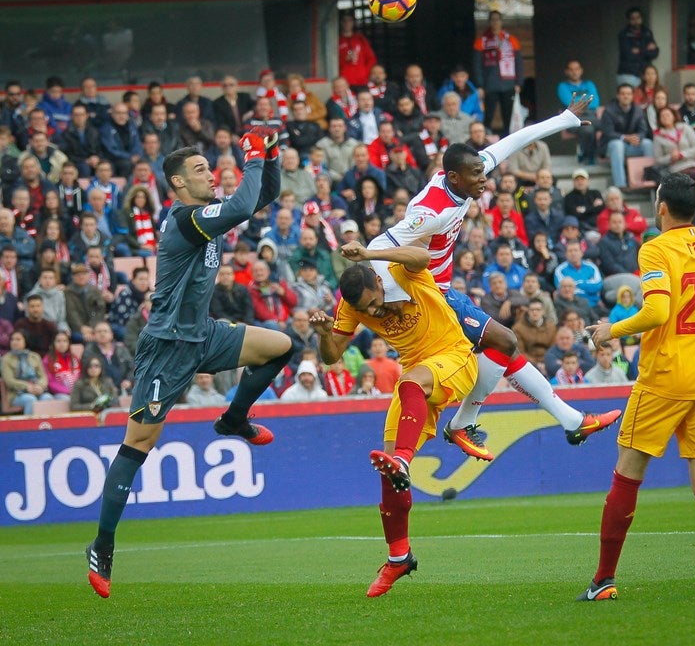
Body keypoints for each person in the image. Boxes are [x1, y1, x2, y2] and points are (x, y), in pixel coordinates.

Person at [85, 128, 294, 599]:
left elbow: (261, 194)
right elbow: (243, 206)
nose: (211, 174)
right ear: (178, 183)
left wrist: (271, 157)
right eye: (200, 169)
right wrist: (253, 154)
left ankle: (234, 419)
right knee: (138, 444)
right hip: (167, 346)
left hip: (204, 333)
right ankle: (102, 544)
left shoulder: (206, 214)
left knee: (282, 345)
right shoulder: (185, 220)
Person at [367, 96, 620, 460]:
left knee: (505, 348)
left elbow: (513, 141)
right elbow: (378, 244)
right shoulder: (429, 212)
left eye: (483, 172)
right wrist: (394, 296)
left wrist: (563, 119)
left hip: (442, 290)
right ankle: (464, 423)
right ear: (454, 177)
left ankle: (571, 420)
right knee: (504, 341)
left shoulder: (464, 176)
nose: (484, 181)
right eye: (477, 176)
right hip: (429, 296)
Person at [578, 172, 695, 602]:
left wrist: (611, 330)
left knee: (627, 474)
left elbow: (657, 311)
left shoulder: (655, 248)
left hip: (664, 378)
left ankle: (604, 579)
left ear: (661, 207)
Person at [310, 242, 479, 597]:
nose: (374, 310)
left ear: (376, 279)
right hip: (414, 384)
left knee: (404, 414)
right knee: (389, 473)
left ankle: (402, 458)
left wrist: (372, 254)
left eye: (373, 301)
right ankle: (399, 556)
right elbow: (330, 357)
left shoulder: (399, 271)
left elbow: (423, 256)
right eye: (365, 309)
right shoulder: (351, 307)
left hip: (454, 357)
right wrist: (325, 333)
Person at [472, 10, 523, 132]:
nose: (495, 22)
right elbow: (477, 65)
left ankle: (508, 140)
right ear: (489, 22)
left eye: (497, 19)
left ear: (502, 22)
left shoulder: (512, 40)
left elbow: (519, 63)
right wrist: (480, 85)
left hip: (508, 83)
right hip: (490, 84)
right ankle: (486, 139)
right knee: (488, 115)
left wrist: (519, 82)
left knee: (508, 116)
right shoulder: (481, 41)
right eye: (492, 20)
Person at [599, 85, 653, 189]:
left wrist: (637, 138)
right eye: (623, 94)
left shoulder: (638, 110)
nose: (626, 96)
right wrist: (625, 137)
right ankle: (620, 184)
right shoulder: (609, 110)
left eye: (628, 94)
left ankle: (648, 180)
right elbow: (608, 132)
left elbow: (644, 130)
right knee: (617, 144)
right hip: (611, 146)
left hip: (632, 145)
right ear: (618, 96)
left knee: (647, 144)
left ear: (632, 96)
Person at [557, 59, 601, 164]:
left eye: (577, 69)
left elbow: (595, 102)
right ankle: (590, 156)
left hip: (591, 116)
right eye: (571, 69)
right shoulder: (562, 86)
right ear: (566, 72)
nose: (574, 72)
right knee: (588, 129)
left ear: (581, 70)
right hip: (573, 119)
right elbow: (570, 102)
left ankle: (589, 154)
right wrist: (586, 101)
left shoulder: (589, 84)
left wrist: (579, 101)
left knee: (607, 126)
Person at [0, 329, 53, 414]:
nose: (14, 342)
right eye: (12, 339)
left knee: (47, 397)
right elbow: (9, 381)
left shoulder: (35, 357)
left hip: (36, 389)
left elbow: (43, 376)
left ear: (25, 341)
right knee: (30, 399)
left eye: (18, 339)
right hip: (16, 394)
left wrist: (40, 386)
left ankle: (46, 426)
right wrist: (26, 386)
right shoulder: (6, 359)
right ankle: (30, 427)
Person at [616, 7, 659, 87]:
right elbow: (628, 55)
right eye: (633, 18)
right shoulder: (623, 34)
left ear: (641, 18)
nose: (636, 21)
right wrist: (646, 50)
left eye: (638, 18)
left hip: (644, 74)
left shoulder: (647, 32)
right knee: (628, 98)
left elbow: (655, 53)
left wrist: (639, 51)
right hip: (628, 73)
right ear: (629, 20)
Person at [338, 13, 377, 88]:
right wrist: (344, 59)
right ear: (340, 23)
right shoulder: (337, 40)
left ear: (353, 22)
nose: (347, 23)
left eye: (350, 20)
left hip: (362, 81)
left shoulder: (360, 39)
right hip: (344, 82)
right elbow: (331, 64)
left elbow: (371, 59)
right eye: (344, 21)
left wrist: (365, 73)